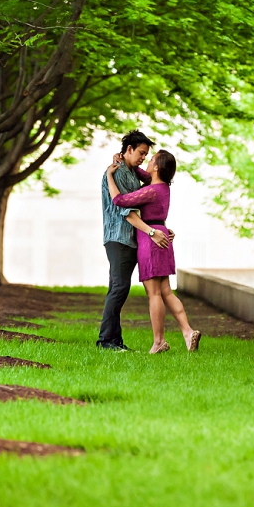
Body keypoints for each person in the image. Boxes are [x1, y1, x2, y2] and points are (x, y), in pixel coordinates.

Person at [107, 149, 201, 354]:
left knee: (154, 293)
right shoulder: (163, 186)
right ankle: (187, 331)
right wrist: (123, 161)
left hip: (150, 238)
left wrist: (109, 176)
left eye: (150, 160)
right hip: (162, 234)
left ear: (157, 167)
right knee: (166, 291)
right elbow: (142, 173)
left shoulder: (151, 190)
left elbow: (119, 201)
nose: (146, 162)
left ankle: (159, 341)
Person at [96, 130, 170, 351]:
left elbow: (154, 183)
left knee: (118, 288)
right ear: (129, 149)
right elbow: (126, 211)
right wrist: (151, 232)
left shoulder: (131, 171)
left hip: (131, 238)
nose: (143, 158)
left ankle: (113, 340)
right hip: (118, 238)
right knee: (119, 287)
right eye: (140, 153)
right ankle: (106, 341)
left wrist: (160, 228)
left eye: (146, 155)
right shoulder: (117, 172)